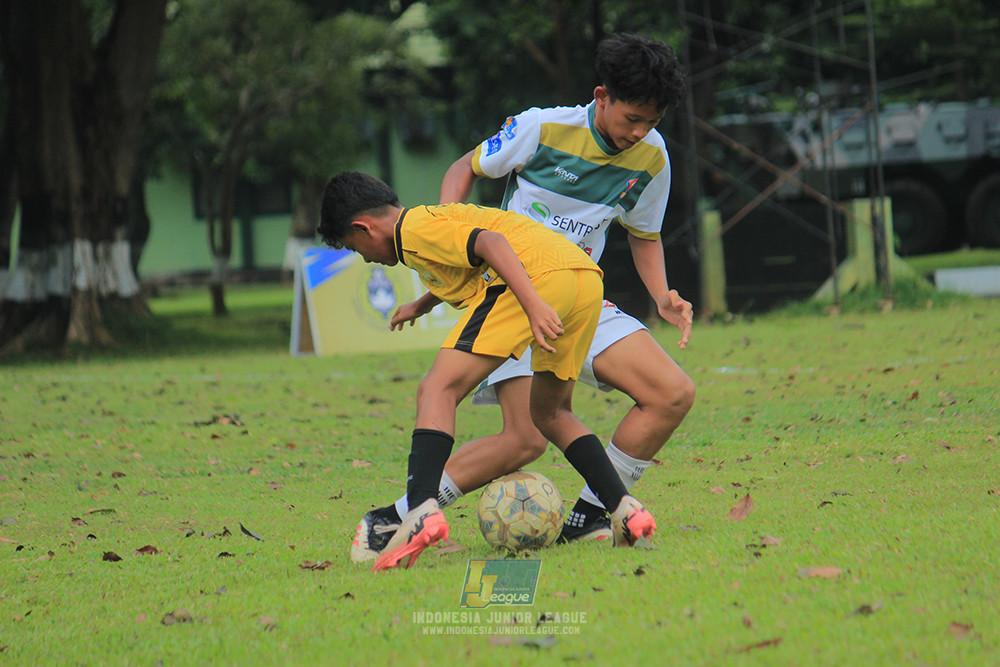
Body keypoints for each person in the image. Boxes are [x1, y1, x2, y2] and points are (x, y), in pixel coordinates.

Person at [352, 33, 695, 563]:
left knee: (672, 394)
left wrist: (663, 296)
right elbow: (464, 167)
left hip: (580, 295)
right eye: (632, 118)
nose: (639, 132)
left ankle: (588, 517)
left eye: (652, 121)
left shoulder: (653, 156)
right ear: (602, 96)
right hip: (516, 296)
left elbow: (644, 235)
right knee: (525, 438)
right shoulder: (542, 128)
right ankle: (394, 519)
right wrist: (450, 229)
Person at [319, 171, 657, 571]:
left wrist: (532, 303)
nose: (365, 257)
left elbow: (490, 244)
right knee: (551, 413)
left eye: (355, 248)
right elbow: (465, 260)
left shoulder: (412, 228)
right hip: (582, 279)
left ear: (364, 227)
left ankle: (421, 508)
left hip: (535, 282)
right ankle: (623, 507)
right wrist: (421, 305)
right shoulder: (430, 221)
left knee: (437, 388)